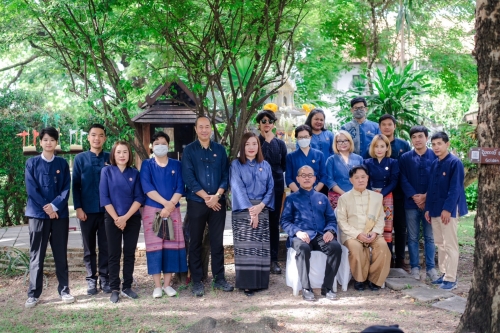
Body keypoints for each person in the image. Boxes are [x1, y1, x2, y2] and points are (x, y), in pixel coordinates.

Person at [182, 116, 234, 297]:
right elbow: (188, 177)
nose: (204, 130)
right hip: (197, 202)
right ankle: (197, 280)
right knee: (195, 242)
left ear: (211, 129)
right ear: (195, 129)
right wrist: (206, 198)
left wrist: (217, 196)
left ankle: (219, 278)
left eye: (207, 127)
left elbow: (225, 176)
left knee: (217, 241)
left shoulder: (220, 150)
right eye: (200, 127)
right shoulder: (189, 151)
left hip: (217, 203)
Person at [24, 127, 74, 308]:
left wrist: (54, 207)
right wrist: (48, 208)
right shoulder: (32, 163)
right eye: (45, 139)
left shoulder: (61, 163)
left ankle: (64, 290)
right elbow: (32, 190)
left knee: (60, 253)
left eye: (52, 140)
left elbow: (66, 188)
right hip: (37, 215)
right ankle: (33, 294)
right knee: (37, 254)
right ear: (41, 142)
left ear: (56, 142)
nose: (48, 143)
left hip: (59, 215)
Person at [280, 165, 342, 301]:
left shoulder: (322, 198)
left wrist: (330, 231)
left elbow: (331, 219)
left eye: (310, 175)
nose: (307, 178)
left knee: (336, 248)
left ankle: (327, 287)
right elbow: (284, 221)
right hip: (301, 237)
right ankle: (306, 288)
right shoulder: (292, 199)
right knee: (302, 249)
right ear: (297, 179)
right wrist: (297, 232)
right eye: (303, 175)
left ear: (314, 178)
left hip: (320, 235)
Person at [140, 131, 187, 298]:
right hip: (153, 210)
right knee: (155, 246)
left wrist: (170, 205)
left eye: (164, 143)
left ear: (169, 145)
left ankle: (167, 284)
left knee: (170, 246)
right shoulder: (147, 164)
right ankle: (157, 286)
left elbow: (180, 187)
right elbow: (147, 187)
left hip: (172, 210)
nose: (160, 146)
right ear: (152, 146)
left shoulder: (176, 164)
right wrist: (166, 204)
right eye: (157, 143)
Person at [99, 141, 145, 303]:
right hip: (112, 218)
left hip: (131, 219)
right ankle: (114, 288)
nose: (122, 155)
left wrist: (125, 218)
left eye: (125, 152)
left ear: (129, 154)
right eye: (118, 152)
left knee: (130, 253)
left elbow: (139, 197)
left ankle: (127, 286)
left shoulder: (135, 173)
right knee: (113, 254)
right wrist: (117, 218)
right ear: (113, 154)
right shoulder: (106, 171)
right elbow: (104, 198)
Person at [230, 132, 274, 296]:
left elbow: (271, 188)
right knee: (246, 248)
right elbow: (237, 187)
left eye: (254, 144)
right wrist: (251, 210)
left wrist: (260, 207)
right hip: (243, 210)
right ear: (243, 146)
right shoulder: (236, 165)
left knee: (260, 247)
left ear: (258, 146)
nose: (251, 147)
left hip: (261, 209)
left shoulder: (266, 165)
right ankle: (247, 283)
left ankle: (261, 282)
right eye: (247, 144)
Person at [337, 165, 392, 291]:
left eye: (363, 177)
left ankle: (374, 279)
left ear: (368, 178)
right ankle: (360, 279)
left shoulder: (377, 197)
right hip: (352, 235)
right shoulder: (344, 198)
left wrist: (375, 232)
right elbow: (342, 222)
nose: (360, 180)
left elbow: (380, 218)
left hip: (372, 233)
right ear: (351, 180)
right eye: (357, 177)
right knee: (356, 248)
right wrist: (357, 234)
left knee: (383, 248)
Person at [425, 131, 468, 290]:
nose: (436, 147)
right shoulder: (435, 163)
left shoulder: (455, 163)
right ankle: (444, 273)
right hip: (434, 209)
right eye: (433, 144)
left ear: (447, 144)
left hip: (448, 211)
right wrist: (428, 209)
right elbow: (431, 188)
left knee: (450, 244)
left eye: (439, 144)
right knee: (440, 243)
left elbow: (455, 188)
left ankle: (451, 278)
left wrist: (448, 209)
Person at [72, 124, 111, 295]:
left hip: (107, 211)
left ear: (105, 138)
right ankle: (90, 280)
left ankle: (105, 279)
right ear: (88, 137)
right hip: (86, 212)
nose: (97, 138)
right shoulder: (80, 159)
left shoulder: (111, 157)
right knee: (88, 248)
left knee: (106, 246)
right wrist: (78, 208)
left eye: (100, 135)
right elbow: (76, 186)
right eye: (93, 135)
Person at [399, 126, 439, 281]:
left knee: (430, 237)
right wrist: (415, 196)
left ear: (426, 138)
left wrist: (426, 197)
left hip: (431, 204)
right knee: (413, 237)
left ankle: (430, 269)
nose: (417, 139)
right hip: (411, 203)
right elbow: (402, 178)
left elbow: (437, 180)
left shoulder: (435, 156)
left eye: (420, 136)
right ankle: (415, 267)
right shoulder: (405, 158)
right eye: (414, 136)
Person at [376, 114, 411, 271]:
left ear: (394, 126)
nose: (387, 127)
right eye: (384, 124)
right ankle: (386, 258)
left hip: (399, 193)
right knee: (382, 226)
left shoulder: (403, 145)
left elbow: (408, 168)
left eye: (390, 124)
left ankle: (400, 260)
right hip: (380, 195)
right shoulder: (376, 144)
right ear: (380, 127)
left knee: (400, 226)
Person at [256, 105, 287, 274]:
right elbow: (259, 162)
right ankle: (260, 259)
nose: (267, 124)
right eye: (263, 121)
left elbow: (282, 166)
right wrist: (266, 143)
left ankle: (273, 260)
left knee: (274, 224)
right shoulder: (254, 142)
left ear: (274, 124)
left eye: (270, 121)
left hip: (275, 187)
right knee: (259, 223)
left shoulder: (281, 144)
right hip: (258, 189)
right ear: (259, 124)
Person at [363, 134, 400, 246]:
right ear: (372, 148)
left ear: (387, 147)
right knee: (370, 223)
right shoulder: (366, 162)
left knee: (386, 225)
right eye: (376, 146)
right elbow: (365, 180)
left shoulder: (393, 162)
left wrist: (381, 194)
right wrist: (373, 193)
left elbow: (394, 181)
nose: (379, 149)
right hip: (370, 196)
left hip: (387, 196)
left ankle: (387, 257)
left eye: (382, 146)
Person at [325, 130, 363, 210]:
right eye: (339, 141)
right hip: (337, 197)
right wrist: (344, 194)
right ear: (335, 143)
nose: (343, 143)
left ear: (350, 142)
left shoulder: (359, 159)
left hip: (356, 195)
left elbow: (362, 178)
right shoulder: (331, 160)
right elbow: (329, 180)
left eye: (346, 140)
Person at [285, 125, 327, 193]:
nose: (303, 139)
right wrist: (300, 193)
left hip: (316, 193)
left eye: (306, 137)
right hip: (297, 194)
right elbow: (288, 178)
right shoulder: (291, 156)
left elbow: (324, 176)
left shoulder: (319, 155)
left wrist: (315, 192)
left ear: (310, 137)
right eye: (300, 137)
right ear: (297, 138)